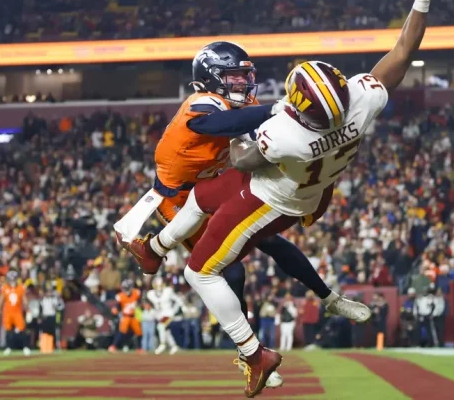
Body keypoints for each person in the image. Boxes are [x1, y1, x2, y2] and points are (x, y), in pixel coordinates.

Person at [129, 0, 433, 397]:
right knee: (203, 195)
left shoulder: (287, 133)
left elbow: (242, 159)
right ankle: (154, 248)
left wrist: (249, 125)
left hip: (273, 199)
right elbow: (404, 50)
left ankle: (254, 354)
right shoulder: (361, 100)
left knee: (200, 273)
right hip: (311, 185)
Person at [114, 40, 370, 387]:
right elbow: (219, 125)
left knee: (271, 241)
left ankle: (329, 298)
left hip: (212, 182)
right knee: (228, 270)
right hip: (177, 195)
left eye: (245, 76)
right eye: (233, 77)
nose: (243, 83)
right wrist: (276, 109)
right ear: (211, 79)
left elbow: (254, 138)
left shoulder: (244, 104)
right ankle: (250, 352)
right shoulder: (200, 103)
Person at [0, 271, 30, 356]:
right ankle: (9, 347)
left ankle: (25, 347)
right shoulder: (5, 288)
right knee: (8, 331)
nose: (12, 281)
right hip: (7, 312)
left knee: (21, 329)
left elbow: (24, 300)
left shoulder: (20, 287)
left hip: (17, 312)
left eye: (13, 279)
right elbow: (1, 300)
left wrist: (28, 311)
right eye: (10, 279)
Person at [147, 276, 180, 355]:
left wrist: (174, 310)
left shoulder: (168, 291)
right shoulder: (150, 294)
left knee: (160, 326)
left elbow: (178, 300)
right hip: (160, 315)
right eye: (157, 285)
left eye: (160, 285)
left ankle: (162, 344)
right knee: (166, 331)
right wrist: (153, 312)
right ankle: (174, 346)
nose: (159, 287)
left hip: (168, 313)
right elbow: (150, 305)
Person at [108, 280, 142, 353]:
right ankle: (113, 346)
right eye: (125, 288)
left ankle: (139, 348)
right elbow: (118, 306)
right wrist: (115, 309)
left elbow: (140, 302)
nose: (126, 290)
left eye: (127, 288)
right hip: (125, 316)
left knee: (139, 332)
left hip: (134, 316)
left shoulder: (136, 293)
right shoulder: (121, 296)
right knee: (122, 331)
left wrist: (139, 305)